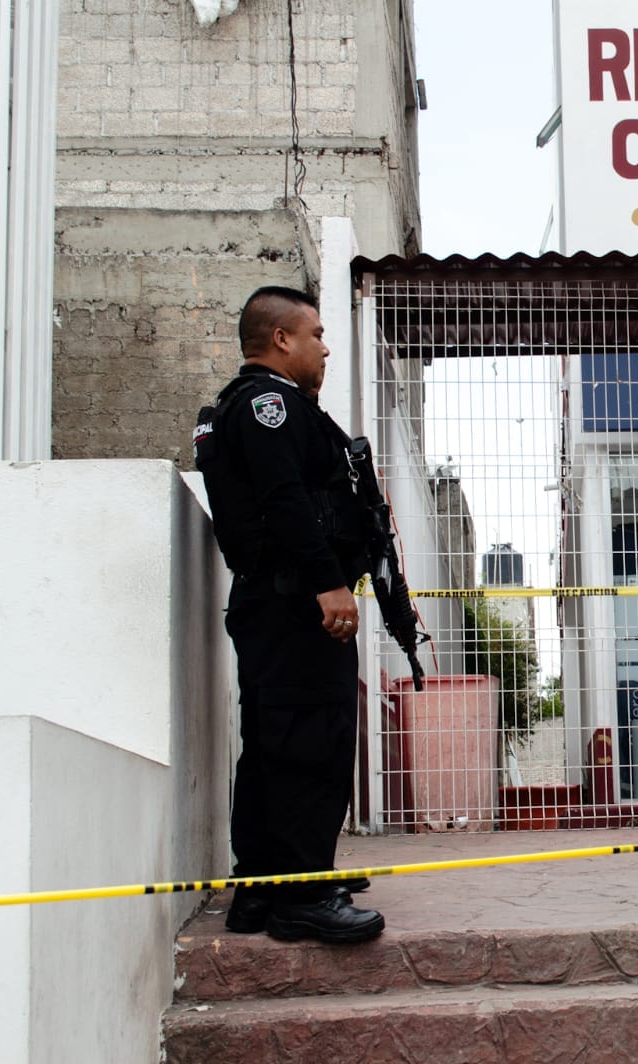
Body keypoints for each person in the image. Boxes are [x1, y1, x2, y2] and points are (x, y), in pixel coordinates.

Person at [195, 286, 384, 944]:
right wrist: (328, 584)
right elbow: (285, 500)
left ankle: (262, 889)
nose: (325, 346)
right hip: (298, 605)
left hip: (275, 601)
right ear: (281, 340)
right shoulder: (270, 405)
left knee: (275, 744)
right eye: (315, 334)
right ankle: (303, 894)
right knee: (312, 742)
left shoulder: (247, 407)